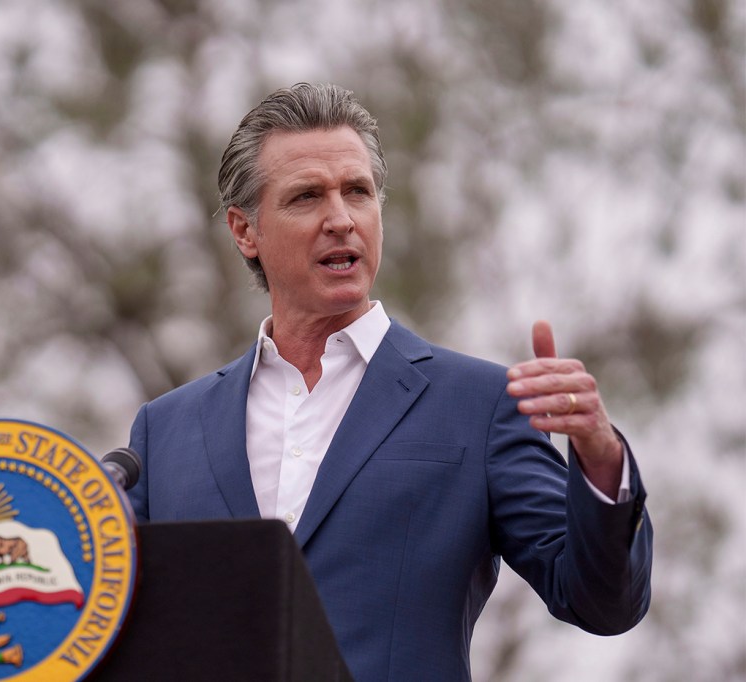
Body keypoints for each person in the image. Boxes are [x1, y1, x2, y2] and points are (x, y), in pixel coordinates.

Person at [126, 83, 652, 681]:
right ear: (246, 231)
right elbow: (105, 623)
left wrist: (600, 455)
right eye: (306, 197)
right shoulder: (164, 431)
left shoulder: (480, 406)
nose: (341, 219)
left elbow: (603, 602)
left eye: (358, 192)